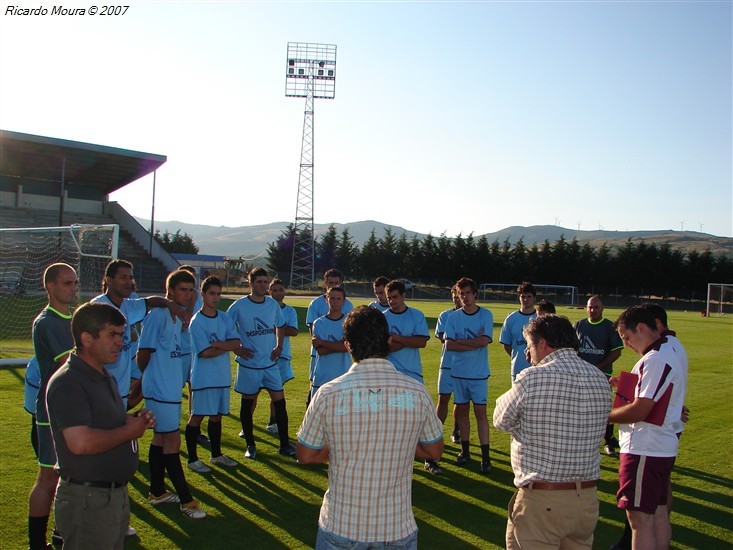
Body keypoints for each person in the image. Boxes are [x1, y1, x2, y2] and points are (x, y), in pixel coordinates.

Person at [296, 306, 444, 549]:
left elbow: (305, 454)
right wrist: (400, 444)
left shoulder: (328, 393)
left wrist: (340, 447)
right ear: (388, 341)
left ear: (347, 345)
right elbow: (434, 451)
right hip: (396, 528)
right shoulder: (416, 391)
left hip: (341, 525)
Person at [493, 314, 612, 549]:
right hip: (586, 499)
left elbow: (501, 420)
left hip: (542, 499)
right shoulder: (599, 378)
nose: (529, 354)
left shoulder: (531, 378)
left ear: (542, 343)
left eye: (529, 346)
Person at [45, 302, 156, 548]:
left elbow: (107, 424)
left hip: (109, 496)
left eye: (122, 335)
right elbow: (80, 442)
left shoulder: (103, 374)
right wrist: (130, 430)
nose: (120, 342)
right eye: (113, 335)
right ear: (86, 338)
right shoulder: (69, 382)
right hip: (88, 500)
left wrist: (133, 420)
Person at [609, 306, 688, 550]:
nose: (628, 344)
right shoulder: (666, 350)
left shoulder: (656, 358)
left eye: (627, 337)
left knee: (639, 520)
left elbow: (641, 410)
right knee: (657, 514)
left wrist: (603, 417)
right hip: (659, 445)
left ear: (641, 328)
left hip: (645, 446)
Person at [137, 269, 206, 519]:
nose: (187, 295)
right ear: (170, 291)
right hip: (160, 389)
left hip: (168, 388)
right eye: (182, 290)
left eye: (190, 290)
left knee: (159, 439)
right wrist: (138, 383)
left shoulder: (176, 316)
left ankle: (157, 492)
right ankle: (186, 501)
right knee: (172, 442)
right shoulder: (158, 314)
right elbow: (144, 351)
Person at [93, 259, 190, 407]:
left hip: (120, 390)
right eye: (123, 277)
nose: (129, 282)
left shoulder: (128, 305)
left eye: (131, 278)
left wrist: (169, 304)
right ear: (109, 280)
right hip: (101, 390)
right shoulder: (98, 307)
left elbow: (150, 301)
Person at [28, 263, 77, 550]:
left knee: (67, 476)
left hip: (70, 410)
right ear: (50, 287)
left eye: (74, 282)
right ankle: (37, 544)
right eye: (67, 283)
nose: (73, 288)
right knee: (48, 477)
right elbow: (67, 364)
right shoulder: (47, 321)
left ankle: (61, 534)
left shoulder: (71, 316)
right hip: (51, 413)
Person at [227, 267, 296, 459]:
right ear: (250, 283)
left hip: (270, 364)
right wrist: (236, 348)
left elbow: (280, 326)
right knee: (247, 404)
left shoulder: (272, 305)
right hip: (249, 364)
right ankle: (250, 445)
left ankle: (284, 445)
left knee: (280, 403)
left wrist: (279, 346)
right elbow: (225, 325)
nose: (263, 285)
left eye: (265, 282)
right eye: (259, 282)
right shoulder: (239, 306)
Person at [184, 276, 241, 473]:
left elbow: (236, 343)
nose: (215, 298)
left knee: (217, 417)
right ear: (203, 295)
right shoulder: (197, 322)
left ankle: (216, 455)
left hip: (221, 377)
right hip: (204, 378)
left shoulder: (225, 317)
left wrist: (217, 344)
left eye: (218, 293)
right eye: (211, 293)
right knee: (197, 416)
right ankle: (192, 459)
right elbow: (204, 353)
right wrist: (224, 346)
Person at [444, 277, 494, 473]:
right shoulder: (453, 317)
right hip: (459, 373)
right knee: (462, 413)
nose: (464, 297)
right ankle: (465, 452)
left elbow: (484, 342)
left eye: (467, 293)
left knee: (481, 414)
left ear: (475, 294)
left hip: (478, 374)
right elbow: (449, 345)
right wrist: (474, 341)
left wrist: (462, 343)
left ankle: (486, 457)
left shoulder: (486, 315)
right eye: (461, 293)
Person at [574, 295, 624, 456]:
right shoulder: (579, 325)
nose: (592, 310)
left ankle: (609, 441)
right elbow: (571, 348)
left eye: (596, 307)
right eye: (590, 307)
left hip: (603, 375)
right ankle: (581, 441)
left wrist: (600, 367)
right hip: (580, 376)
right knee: (580, 409)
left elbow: (617, 351)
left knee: (604, 410)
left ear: (602, 308)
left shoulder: (610, 327)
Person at [306, 269, 354, 402]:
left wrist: (323, 342)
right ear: (327, 299)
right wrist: (339, 345)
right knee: (316, 407)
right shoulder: (319, 322)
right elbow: (320, 351)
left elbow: (347, 347)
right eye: (332, 298)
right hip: (322, 372)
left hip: (343, 373)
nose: (335, 301)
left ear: (344, 301)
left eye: (338, 299)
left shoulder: (349, 320)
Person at [432, 286, 463, 473]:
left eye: (458, 295)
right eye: (454, 296)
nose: (456, 299)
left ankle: (456, 431)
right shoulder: (445, 316)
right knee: (443, 399)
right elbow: (445, 339)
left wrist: (457, 340)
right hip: (447, 364)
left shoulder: (473, 315)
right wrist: (467, 340)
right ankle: (435, 434)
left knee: (461, 402)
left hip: (465, 365)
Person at [263, 278, 299, 434]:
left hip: (282, 355)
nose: (278, 293)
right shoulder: (264, 309)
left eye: (280, 289)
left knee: (277, 390)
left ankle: (273, 421)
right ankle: (246, 426)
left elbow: (294, 331)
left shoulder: (290, 310)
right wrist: (280, 328)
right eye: (274, 290)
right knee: (253, 392)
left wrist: (277, 328)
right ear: (269, 292)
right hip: (263, 355)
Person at [383, 279, 430, 382]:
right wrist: (410, 339)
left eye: (395, 297)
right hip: (389, 373)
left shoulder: (417, 315)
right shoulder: (382, 317)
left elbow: (421, 342)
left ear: (403, 295)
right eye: (388, 298)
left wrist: (396, 338)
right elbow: (382, 348)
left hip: (413, 373)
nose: (391, 301)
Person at [499, 282, 537, 381]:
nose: (525, 299)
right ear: (519, 298)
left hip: (537, 370)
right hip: (517, 369)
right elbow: (506, 345)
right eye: (523, 296)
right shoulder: (511, 319)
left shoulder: (540, 318)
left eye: (529, 296)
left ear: (534, 298)